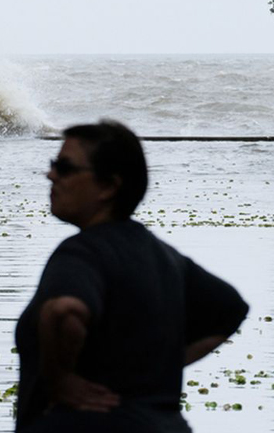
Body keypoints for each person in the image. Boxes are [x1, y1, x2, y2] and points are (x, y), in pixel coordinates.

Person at [14, 121, 249, 432]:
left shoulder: (82, 253)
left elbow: (64, 311)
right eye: (53, 164)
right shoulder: (164, 255)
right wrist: (158, 373)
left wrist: (60, 381)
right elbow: (230, 309)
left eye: (65, 168)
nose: (51, 174)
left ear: (109, 187)